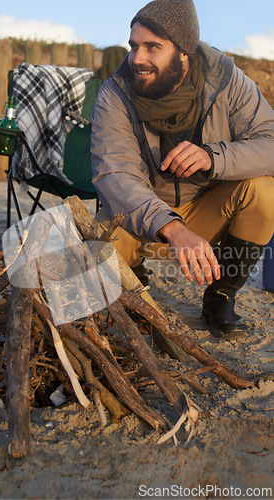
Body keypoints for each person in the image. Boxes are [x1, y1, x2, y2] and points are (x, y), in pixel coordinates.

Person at [91, 0, 274, 340]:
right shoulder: (115, 94)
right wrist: (171, 228)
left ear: (184, 52)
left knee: (265, 191)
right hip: (143, 218)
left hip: (207, 213)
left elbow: (270, 142)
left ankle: (220, 297)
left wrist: (214, 157)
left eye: (152, 47)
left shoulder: (228, 84)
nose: (137, 59)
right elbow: (115, 175)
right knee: (101, 240)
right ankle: (136, 289)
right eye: (134, 46)